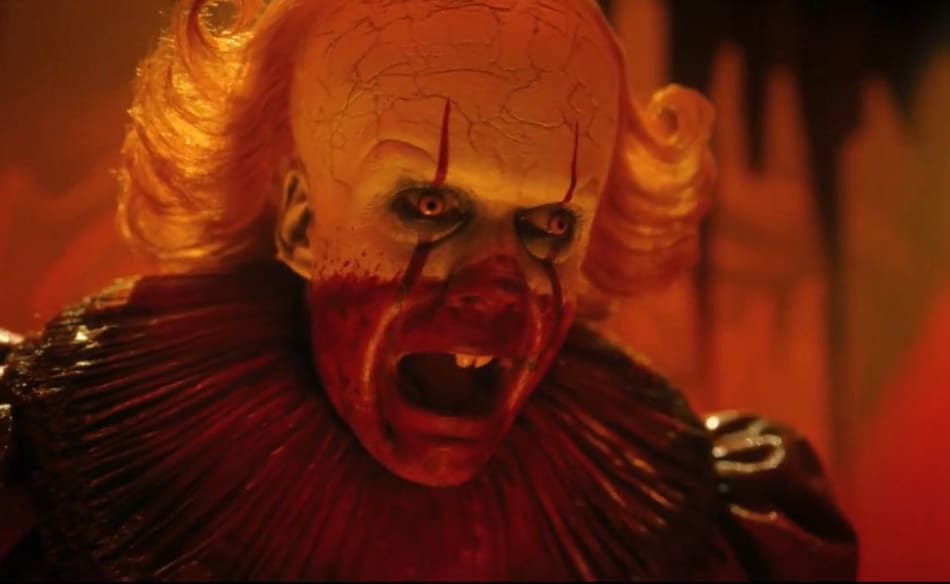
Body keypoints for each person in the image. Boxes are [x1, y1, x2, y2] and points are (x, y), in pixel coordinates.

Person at [0, 0, 856, 579]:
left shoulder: (699, 524)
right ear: (301, 222)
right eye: (431, 206)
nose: (499, 287)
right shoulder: (45, 471)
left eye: (550, 225)